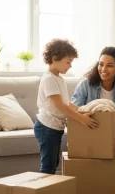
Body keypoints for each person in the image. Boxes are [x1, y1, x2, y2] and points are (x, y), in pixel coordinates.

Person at [34, 39, 97, 174]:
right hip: (47, 126)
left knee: (53, 163)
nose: (70, 66)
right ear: (55, 58)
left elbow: (66, 103)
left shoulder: (58, 78)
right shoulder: (49, 79)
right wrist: (81, 118)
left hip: (54, 127)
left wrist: (81, 110)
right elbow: (60, 106)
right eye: (68, 62)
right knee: (48, 165)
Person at [72, 46, 115, 169]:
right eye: (101, 64)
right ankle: (104, 175)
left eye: (109, 65)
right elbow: (75, 109)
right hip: (89, 127)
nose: (103, 69)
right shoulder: (86, 84)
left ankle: (112, 173)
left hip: (111, 131)